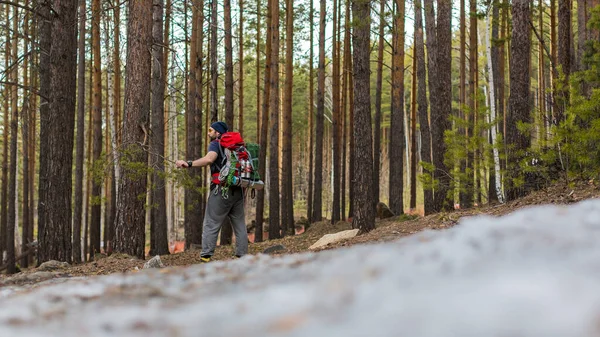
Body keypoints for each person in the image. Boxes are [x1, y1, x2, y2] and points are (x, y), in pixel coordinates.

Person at [176, 121, 248, 262]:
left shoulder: (216, 143)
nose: (209, 132)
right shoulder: (238, 146)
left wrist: (189, 163)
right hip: (238, 189)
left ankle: (206, 256)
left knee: (211, 223)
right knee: (239, 224)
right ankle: (242, 256)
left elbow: (209, 159)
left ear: (218, 132)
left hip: (221, 190)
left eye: (211, 130)